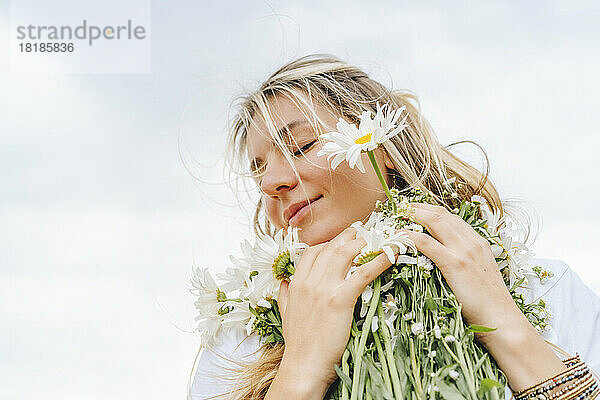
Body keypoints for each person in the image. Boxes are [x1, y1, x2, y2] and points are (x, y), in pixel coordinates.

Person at [189, 54, 600, 400]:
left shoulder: (544, 288)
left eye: (301, 146)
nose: (269, 182)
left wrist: (507, 325)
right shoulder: (239, 341)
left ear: (380, 145)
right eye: (258, 170)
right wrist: (301, 369)